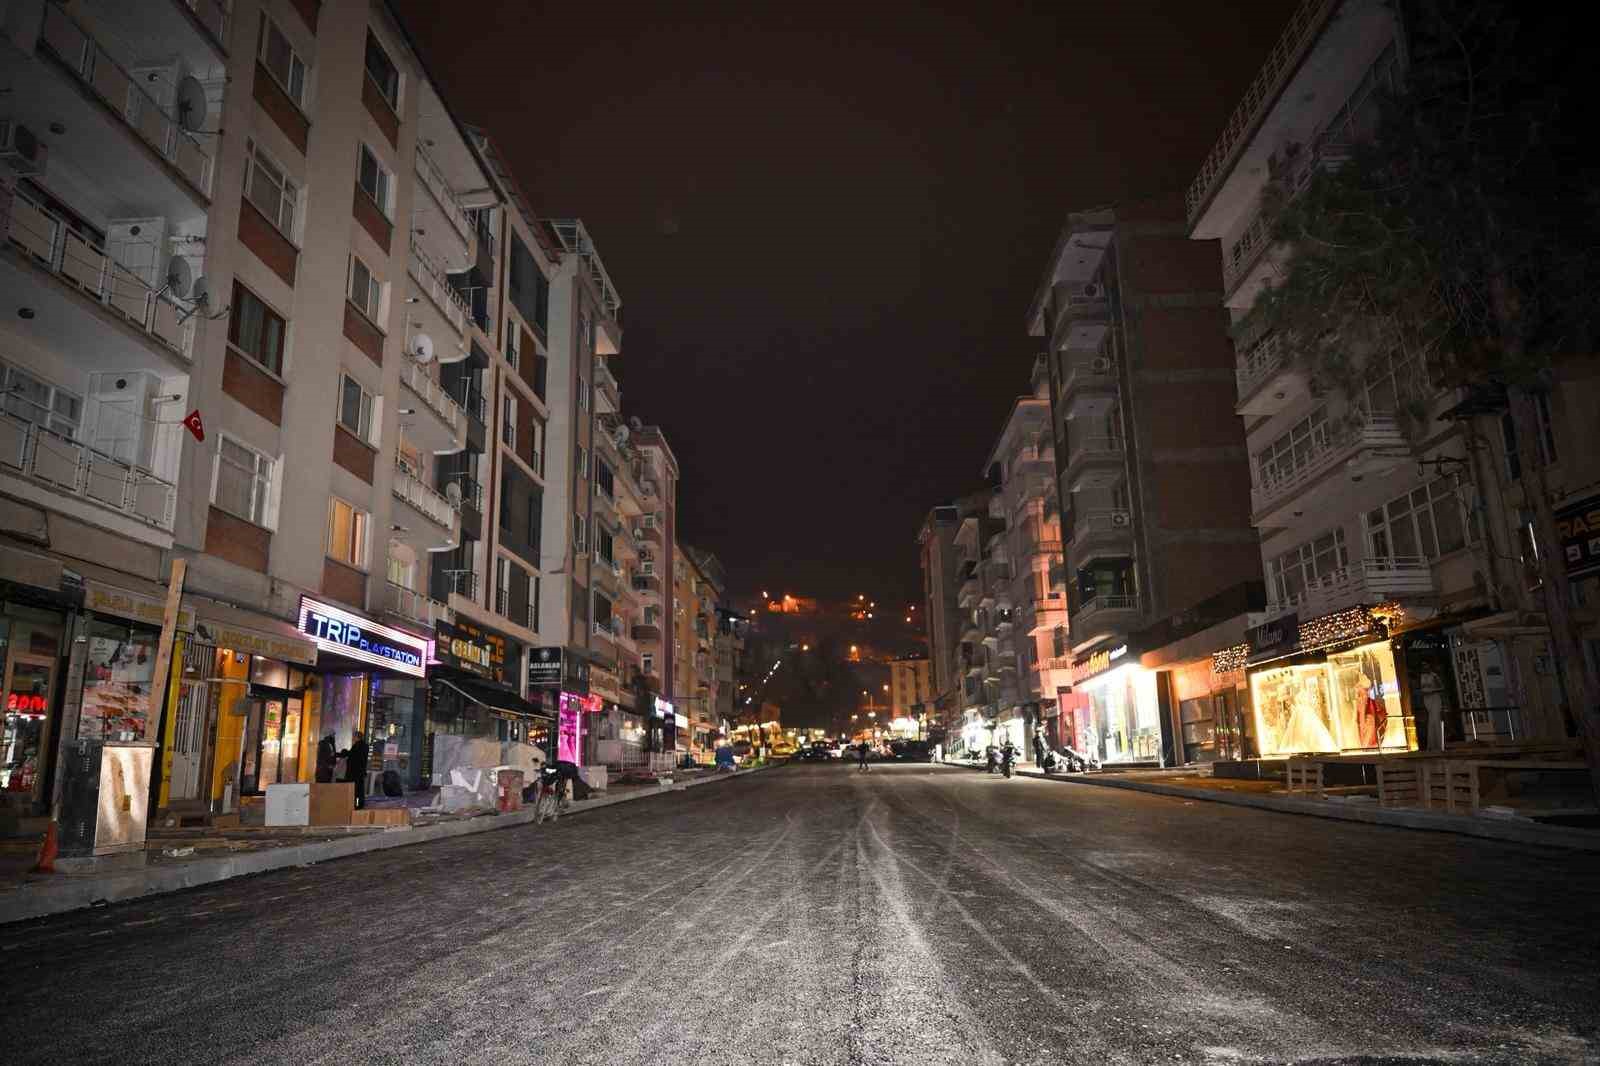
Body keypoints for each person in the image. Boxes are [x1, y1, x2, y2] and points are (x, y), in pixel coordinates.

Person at [341, 730, 369, 810]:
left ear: (357, 737)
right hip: (361, 772)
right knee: (360, 791)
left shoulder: (357, 746)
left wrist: (343, 752)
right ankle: (360, 804)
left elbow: (352, 755)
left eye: (354, 737)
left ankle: (356, 805)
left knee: (356, 792)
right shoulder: (365, 746)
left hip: (355, 773)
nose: (353, 738)